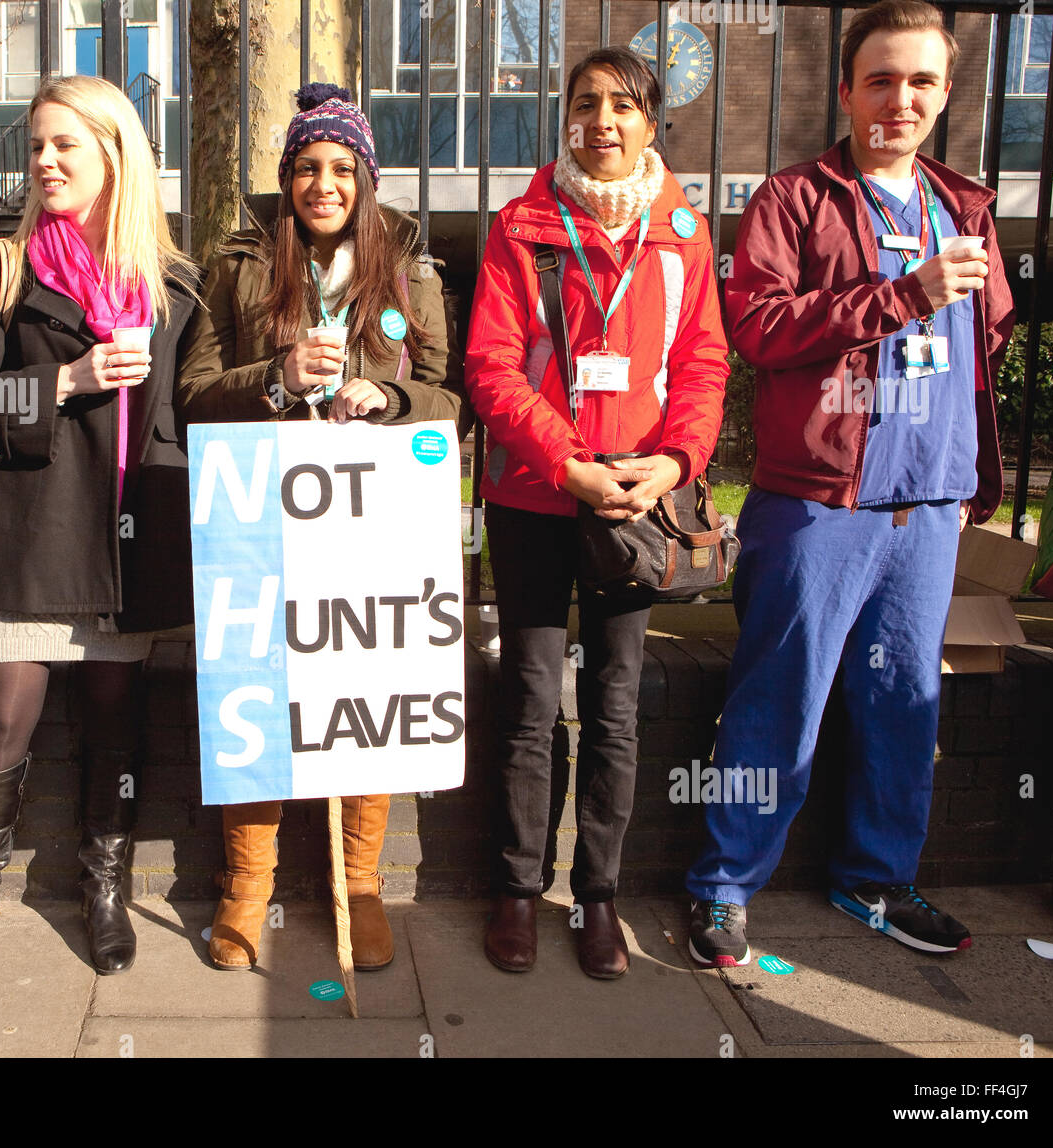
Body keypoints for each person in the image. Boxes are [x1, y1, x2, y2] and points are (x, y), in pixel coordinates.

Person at [686, 0, 1016, 966]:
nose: (900, 99)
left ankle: (877, 880)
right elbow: (759, 331)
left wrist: (957, 469)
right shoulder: (793, 199)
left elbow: (982, 337)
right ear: (846, 90)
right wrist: (903, 296)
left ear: (945, 93)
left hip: (929, 505)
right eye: (880, 79)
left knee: (904, 703)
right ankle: (723, 886)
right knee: (775, 700)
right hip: (818, 505)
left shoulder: (967, 206)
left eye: (920, 81)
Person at [177, 83, 465, 972]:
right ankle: (246, 885)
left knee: (367, 693)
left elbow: (452, 397)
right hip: (264, 516)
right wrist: (275, 375)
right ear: (288, 177)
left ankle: (362, 883)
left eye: (343, 168)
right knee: (257, 691)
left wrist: (390, 396)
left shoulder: (412, 271)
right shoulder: (242, 263)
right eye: (308, 167)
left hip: (371, 523)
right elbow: (191, 393)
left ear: (366, 179)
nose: (325, 184)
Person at [0, 74, 203, 975]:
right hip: (25, 538)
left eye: (63, 146)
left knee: (116, 721)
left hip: (123, 542)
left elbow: (191, 411)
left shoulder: (172, 286)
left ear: (116, 156)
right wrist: (70, 382)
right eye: (36, 146)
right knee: (4, 720)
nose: (43, 162)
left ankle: (104, 885)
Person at [465, 47, 728, 978]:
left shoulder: (684, 232)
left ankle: (600, 898)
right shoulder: (522, 226)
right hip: (538, 493)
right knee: (532, 701)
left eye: (623, 106)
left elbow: (703, 361)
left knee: (616, 706)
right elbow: (492, 369)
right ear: (565, 119)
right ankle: (516, 889)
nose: (603, 122)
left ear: (652, 123)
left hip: (639, 500)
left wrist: (673, 461)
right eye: (585, 105)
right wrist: (568, 462)